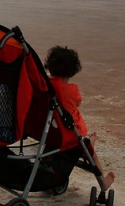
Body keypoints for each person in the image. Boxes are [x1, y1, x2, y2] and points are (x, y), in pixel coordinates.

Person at [44, 45, 115, 189]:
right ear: (72, 71)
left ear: (49, 67)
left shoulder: (44, 86)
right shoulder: (72, 90)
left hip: (49, 131)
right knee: (91, 152)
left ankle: (88, 143)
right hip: (72, 135)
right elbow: (79, 102)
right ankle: (103, 182)